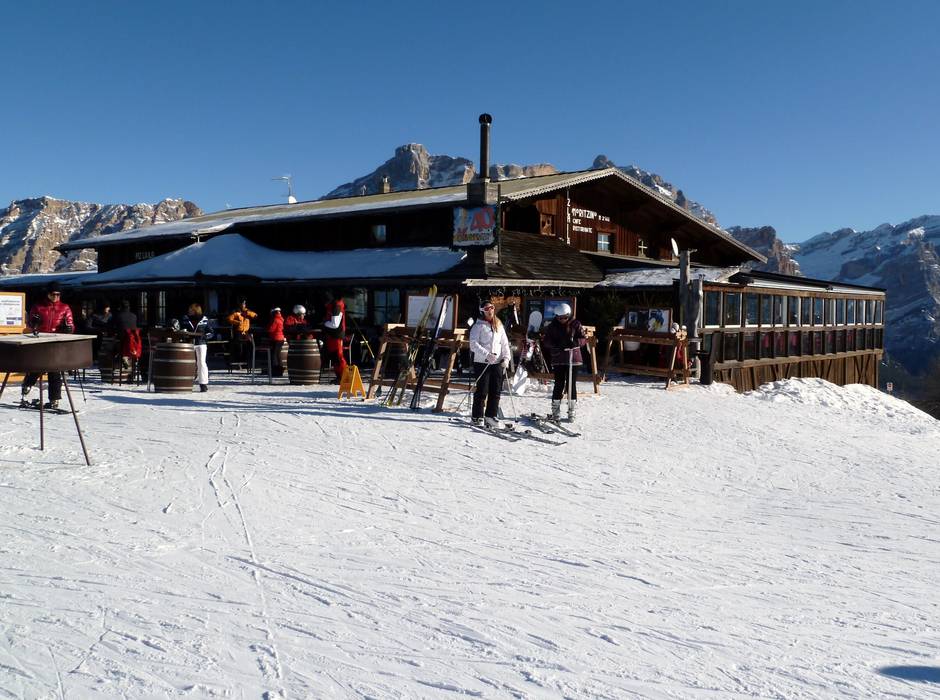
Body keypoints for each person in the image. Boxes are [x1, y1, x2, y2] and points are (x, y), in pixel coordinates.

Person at [20, 281, 74, 409]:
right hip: (40, 340)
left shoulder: (64, 307)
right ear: (48, 294)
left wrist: (68, 329)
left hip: (56, 342)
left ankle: (54, 399)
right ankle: (27, 384)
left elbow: (71, 324)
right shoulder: (39, 306)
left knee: (54, 371)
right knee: (38, 366)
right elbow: (30, 323)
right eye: (53, 294)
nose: (55, 297)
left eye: (58, 295)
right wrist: (35, 322)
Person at [467, 300, 511, 428]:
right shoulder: (478, 326)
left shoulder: (499, 324)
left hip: (497, 362)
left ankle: (491, 416)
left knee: (496, 390)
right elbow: (473, 344)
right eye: (486, 309)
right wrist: (487, 354)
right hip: (482, 362)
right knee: (482, 390)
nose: (490, 310)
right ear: (482, 311)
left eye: (491, 307)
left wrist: (506, 358)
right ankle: (477, 417)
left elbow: (504, 343)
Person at [542, 302, 586, 423]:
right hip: (559, 358)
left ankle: (572, 410)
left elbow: (583, 339)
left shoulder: (576, 324)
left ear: (569, 315)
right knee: (559, 384)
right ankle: (555, 410)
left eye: (565, 318)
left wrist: (575, 343)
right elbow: (546, 341)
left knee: (571, 384)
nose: (562, 320)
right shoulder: (552, 326)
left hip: (573, 358)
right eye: (560, 318)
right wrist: (556, 344)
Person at [173, 303, 212, 392]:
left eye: (191, 310)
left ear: (195, 310)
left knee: (201, 362)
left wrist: (205, 336)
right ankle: (185, 381)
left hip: (201, 343)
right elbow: (180, 328)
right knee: (187, 362)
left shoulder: (204, 319)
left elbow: (211, 332)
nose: (189, 311)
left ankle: (203, 384)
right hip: (189, 343)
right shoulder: (185, 319)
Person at [322, 291, 347, 382]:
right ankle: (340, 377)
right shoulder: (334, 305)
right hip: (333, 335)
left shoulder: (336, 307)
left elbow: (335, 324)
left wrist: (324, 323)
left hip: (336, 335)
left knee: (338, 357)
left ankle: (344, 377)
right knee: (335, 357)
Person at [109, 300, 140, 370]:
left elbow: (110, 327)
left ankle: (116, 364)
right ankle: (125, 359)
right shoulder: (134, 316)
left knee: (109, 348)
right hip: (133, 343)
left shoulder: (117, 316)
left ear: (120, 307)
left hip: (122, 342)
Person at [226, 297, 257, 364]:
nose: (244, 305)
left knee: (248, 345)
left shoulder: (247, 311)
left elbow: (255, 316)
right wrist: (237, 322)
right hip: (238, 331)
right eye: (243, 303)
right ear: (240, 304)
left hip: (246, 332)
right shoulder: (236, 311)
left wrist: (249, 313)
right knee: (239, 347)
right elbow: (229, 319)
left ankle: (247, 361)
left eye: (245, 303)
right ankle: (238, 361)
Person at [267, 307, 285, 377]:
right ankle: (280, 370)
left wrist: (267, 328)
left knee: (274, 355)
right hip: (281, 338)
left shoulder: (275, 319)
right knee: (278, 355)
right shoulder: (281, 318)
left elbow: (271, 329)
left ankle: (275, 370)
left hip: (276, 338)